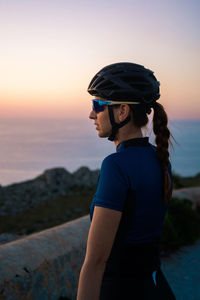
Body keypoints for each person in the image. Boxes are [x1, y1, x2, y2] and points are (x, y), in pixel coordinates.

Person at [76, 62, 176, 300]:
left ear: (123, 111)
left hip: (119, 291)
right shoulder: (160, 158)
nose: (91, 113)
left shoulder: (116, 165)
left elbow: (95, 262)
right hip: (154, 287)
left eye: (98, 105)